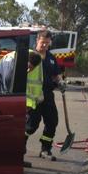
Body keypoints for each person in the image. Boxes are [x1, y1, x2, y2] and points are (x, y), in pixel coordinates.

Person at [26, 30, 65, 161]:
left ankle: (45, 149)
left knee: (52, 122)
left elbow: (56, 74)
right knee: (31, 125)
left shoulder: (51, 57)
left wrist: (60, 81)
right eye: (42, 43)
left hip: (48, 95)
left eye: (47, 43)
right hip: (33, 97)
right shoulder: (30, 55)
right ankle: (19, 147)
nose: (44, 46)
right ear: (37, 41)